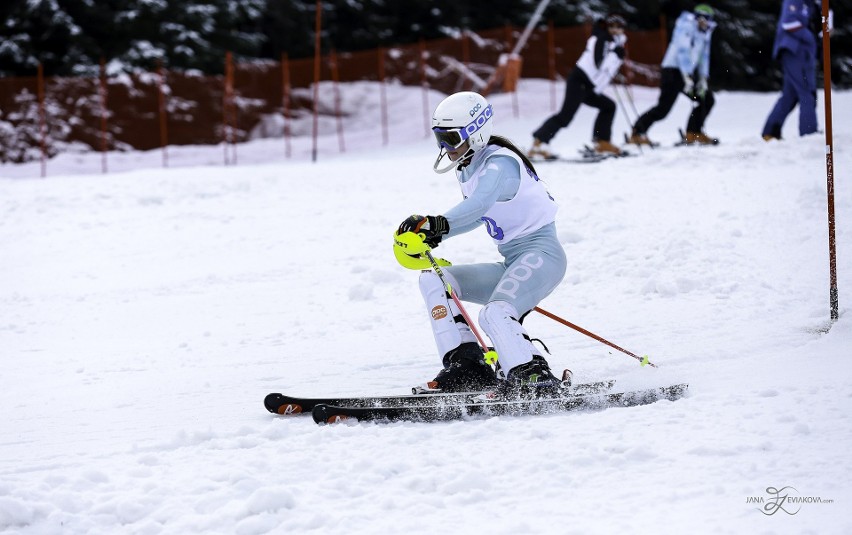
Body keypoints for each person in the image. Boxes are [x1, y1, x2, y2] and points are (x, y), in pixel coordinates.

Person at [395, 91, 567, 397]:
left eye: (451, 139)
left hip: (542, 257)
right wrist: (435, 233)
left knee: (494, 313)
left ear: (475, 133)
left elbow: (479, 203)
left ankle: (531, 374)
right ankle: (467, 367)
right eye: (440, 140)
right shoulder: (470, 166)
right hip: (512, 263)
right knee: (435, 280)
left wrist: (437, 224)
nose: (446, 148)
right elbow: (479, 215)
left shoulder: (499, 165)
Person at [528, 14, 628, 160]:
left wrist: (616, 57)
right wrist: (615, 56)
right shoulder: (600, 38)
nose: (615, 30)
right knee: (566, 116)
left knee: (609, 106)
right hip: (579, 80)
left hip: (590, 85)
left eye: (619, 27)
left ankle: (602, 142)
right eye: (612, 26)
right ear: (606, 26)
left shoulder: (614, 42)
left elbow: (607, 69)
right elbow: (599, 64)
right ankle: (539, 143)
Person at [628, 4, 718, 146]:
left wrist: (702, 78)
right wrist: (687, 76)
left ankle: (693, 133)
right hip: (673, 72)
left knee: (706, 98)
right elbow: (683, 51)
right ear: (695, 17)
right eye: (700, 17)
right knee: (663, 108)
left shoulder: (705, 33)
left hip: (686, 74)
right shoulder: (686, 27)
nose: (703, 21)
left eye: (706, 18)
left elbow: (703, 57)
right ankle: (638, 132)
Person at [761, 0, 819, 140]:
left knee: (790, 95)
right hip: (795, 52)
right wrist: (811, 37)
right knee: (807, 92)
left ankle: (771, 132)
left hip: (803, 53)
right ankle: (809, 134)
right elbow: (789, 22)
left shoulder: (812, 4)